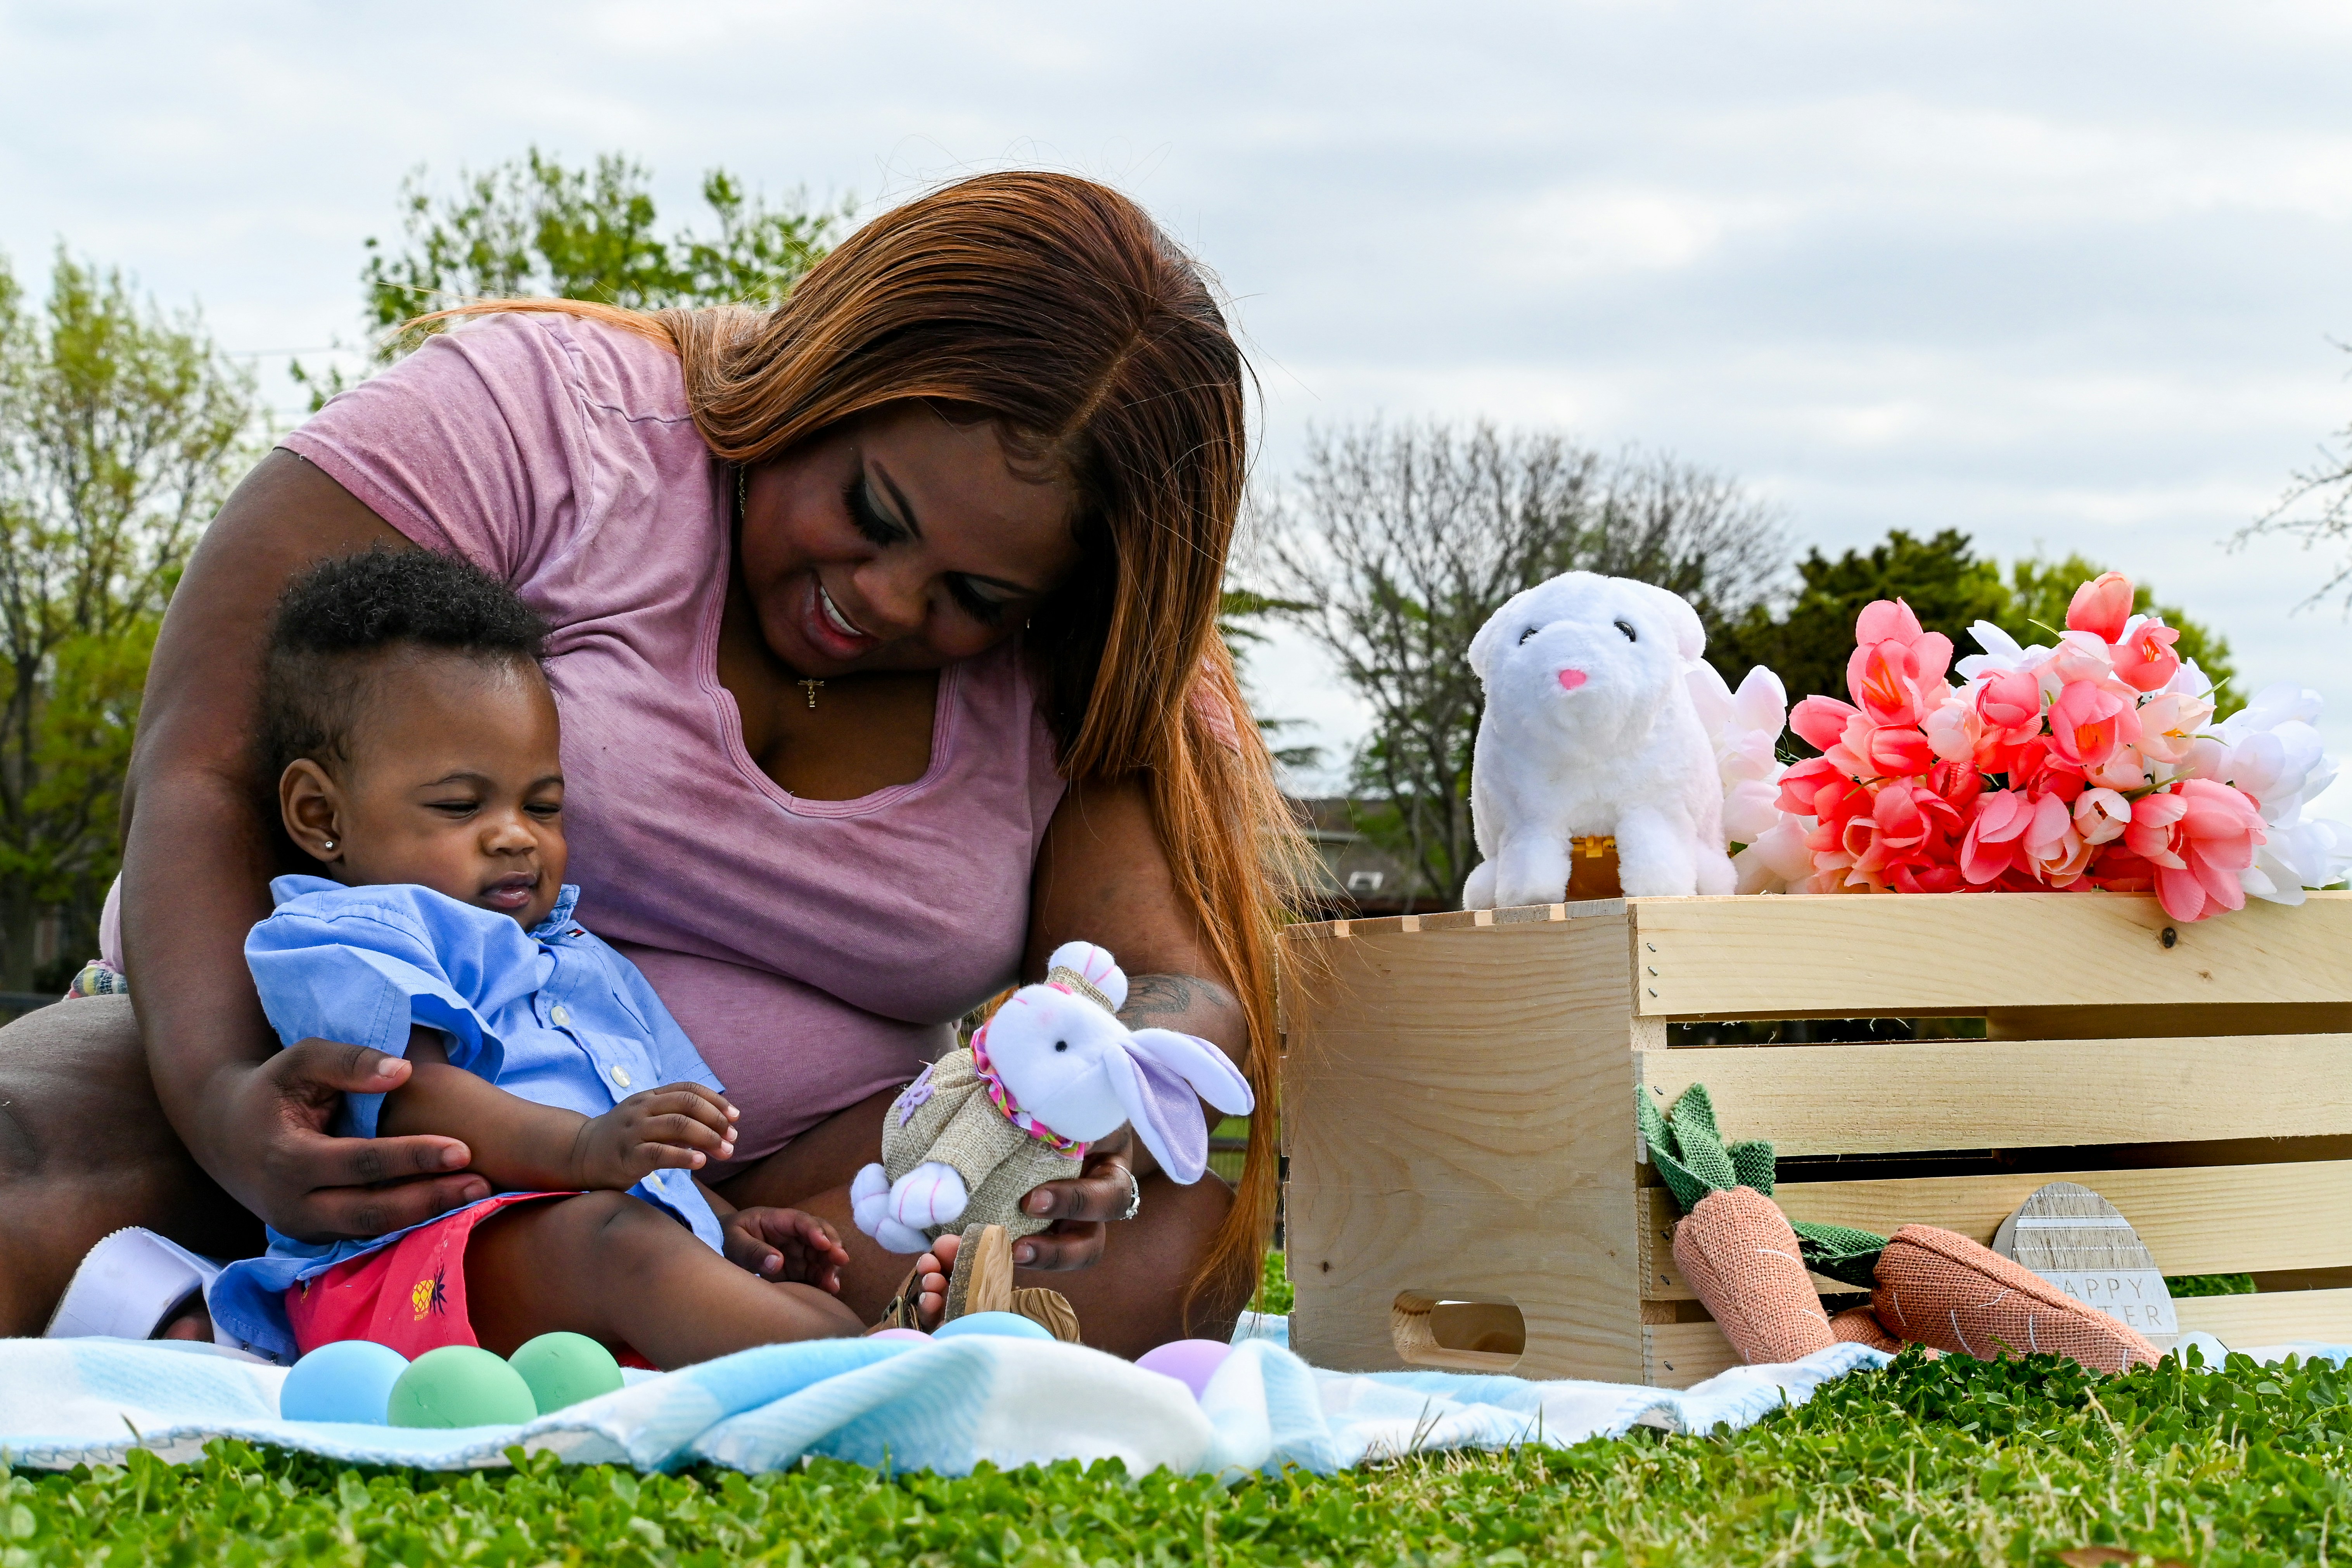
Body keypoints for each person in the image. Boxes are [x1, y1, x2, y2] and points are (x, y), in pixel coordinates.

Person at [0, 172, 1300, 1357]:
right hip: (354, 1104)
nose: (880, 601)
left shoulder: (1092, 655)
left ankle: (632, 1307)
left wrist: (1076, 1107)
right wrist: (231, 1096)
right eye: (869, 513)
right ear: (824, 372)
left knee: (1155, 1240)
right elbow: (209, 762)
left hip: (788, 1191)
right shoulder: (542, 419)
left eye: (971, 593)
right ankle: (366, 1275)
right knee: (20, 1172)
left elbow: (1173, 982)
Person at [199, 547, 947, 1366]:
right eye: (460, 805)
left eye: (542, 805)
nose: (515, 834)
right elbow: (416, 1098)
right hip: (405, 1271)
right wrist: (587, 1151)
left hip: (574, 1256)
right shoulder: (344, 932)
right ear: (319, 815)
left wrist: (725, 1225)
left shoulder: (579, 959)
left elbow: (640, 1124)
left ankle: (858, 1351)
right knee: (613, 1241)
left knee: (774, 1284)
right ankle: (865, 1377)